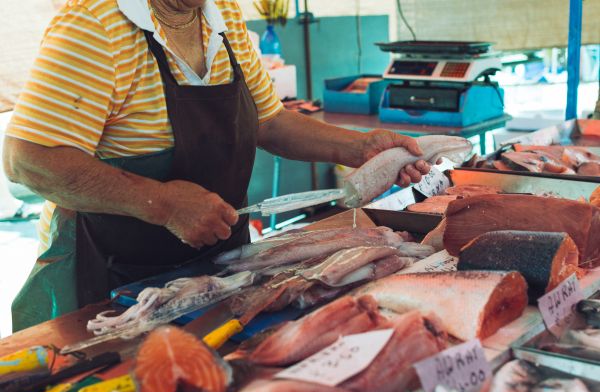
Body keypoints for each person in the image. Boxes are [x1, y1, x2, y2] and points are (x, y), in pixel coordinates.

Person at [2, 0, 431, 331]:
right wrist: (162, 204)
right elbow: (28, 160)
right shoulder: (96, 24)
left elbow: (271, 121)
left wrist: (360, 148)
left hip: (219, 262)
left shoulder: (219, 13)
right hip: (110, 277)